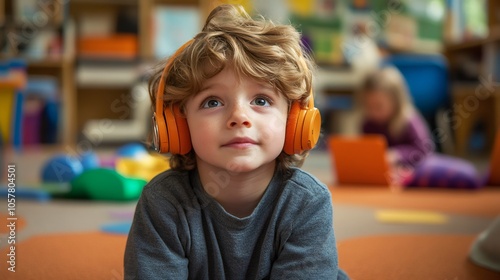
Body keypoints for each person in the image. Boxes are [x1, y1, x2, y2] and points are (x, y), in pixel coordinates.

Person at [124, 5, 349, 279]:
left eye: (261, 100)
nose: (239, 117)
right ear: (179, 125)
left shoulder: (307, 203)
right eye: (213, 102)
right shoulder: (163, 203)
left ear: (295, 121)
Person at [358, 67, 481, 188]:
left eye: (379, 106)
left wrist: (396, 155)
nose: (373, 112)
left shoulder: (409, 120)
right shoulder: (368, 124)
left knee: (459, 174)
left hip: (417, 168)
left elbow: (424, 150)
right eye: (369, 106)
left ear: (396, 101)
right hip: (391, 175)